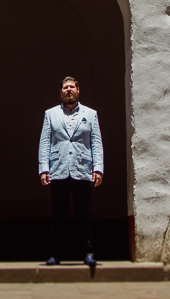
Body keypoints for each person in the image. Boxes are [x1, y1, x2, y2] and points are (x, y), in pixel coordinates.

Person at [38, 75, 103, 267]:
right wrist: (44, 169)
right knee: (58, 213)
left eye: (72, 87)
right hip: (58, 169)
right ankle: (55, 254)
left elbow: (96, 143)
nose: (68, 90)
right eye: (65, 88)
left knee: (83, 213)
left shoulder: (91, 114)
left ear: (78, 90)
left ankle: (88, 252)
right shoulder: (50, 114)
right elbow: (45, 142)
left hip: (82, 169)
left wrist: (98, 168)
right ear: (60, 92)